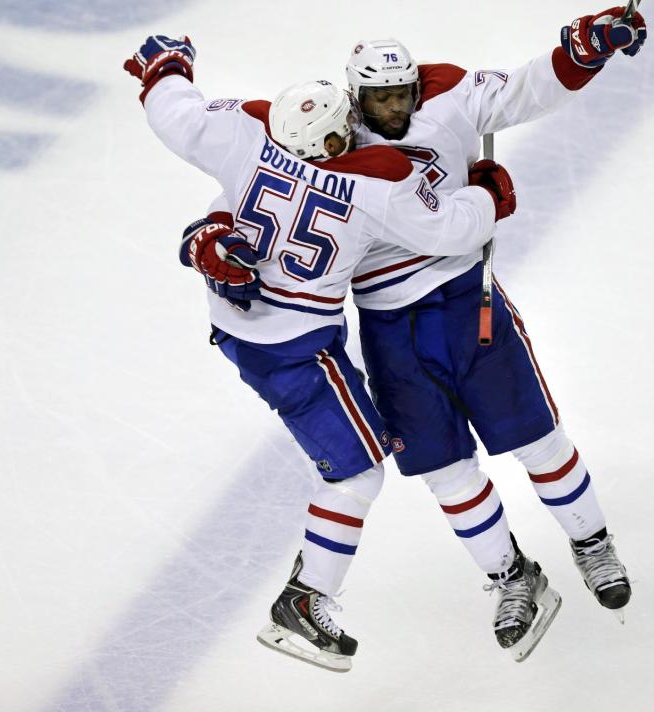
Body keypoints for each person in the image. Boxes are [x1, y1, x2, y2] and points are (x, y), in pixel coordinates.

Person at [123, 35, 517, 672]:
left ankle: (319, 593)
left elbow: (177, 117)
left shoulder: (248, 138)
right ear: (334, 141)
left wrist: (168, 70)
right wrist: (486, 195)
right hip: (300, 352)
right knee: (360, 471)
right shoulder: (372, 188)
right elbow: (449, 228)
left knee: (363, 460)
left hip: (239, 332)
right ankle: (306, 602)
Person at [341, 6, 648, 657]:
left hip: (463, 303)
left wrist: (585, 49)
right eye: (380, 97)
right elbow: (266, 170)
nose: (394, 108)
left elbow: (528, 88)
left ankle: (592, 544)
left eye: (403, 93)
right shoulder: (330, 132)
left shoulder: (449, 91)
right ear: (355, 95)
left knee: (537, 441)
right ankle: (512, 578)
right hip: (388, 332)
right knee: (445, 471)